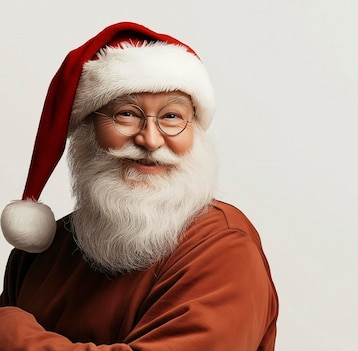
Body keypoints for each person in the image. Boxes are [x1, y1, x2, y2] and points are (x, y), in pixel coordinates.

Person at [0, 22, 278, 350]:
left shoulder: (224, 249)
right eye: (127, 115)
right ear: (87, 130)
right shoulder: (41, 253)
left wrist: (9, 330)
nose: (150, 139)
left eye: (172, 117)